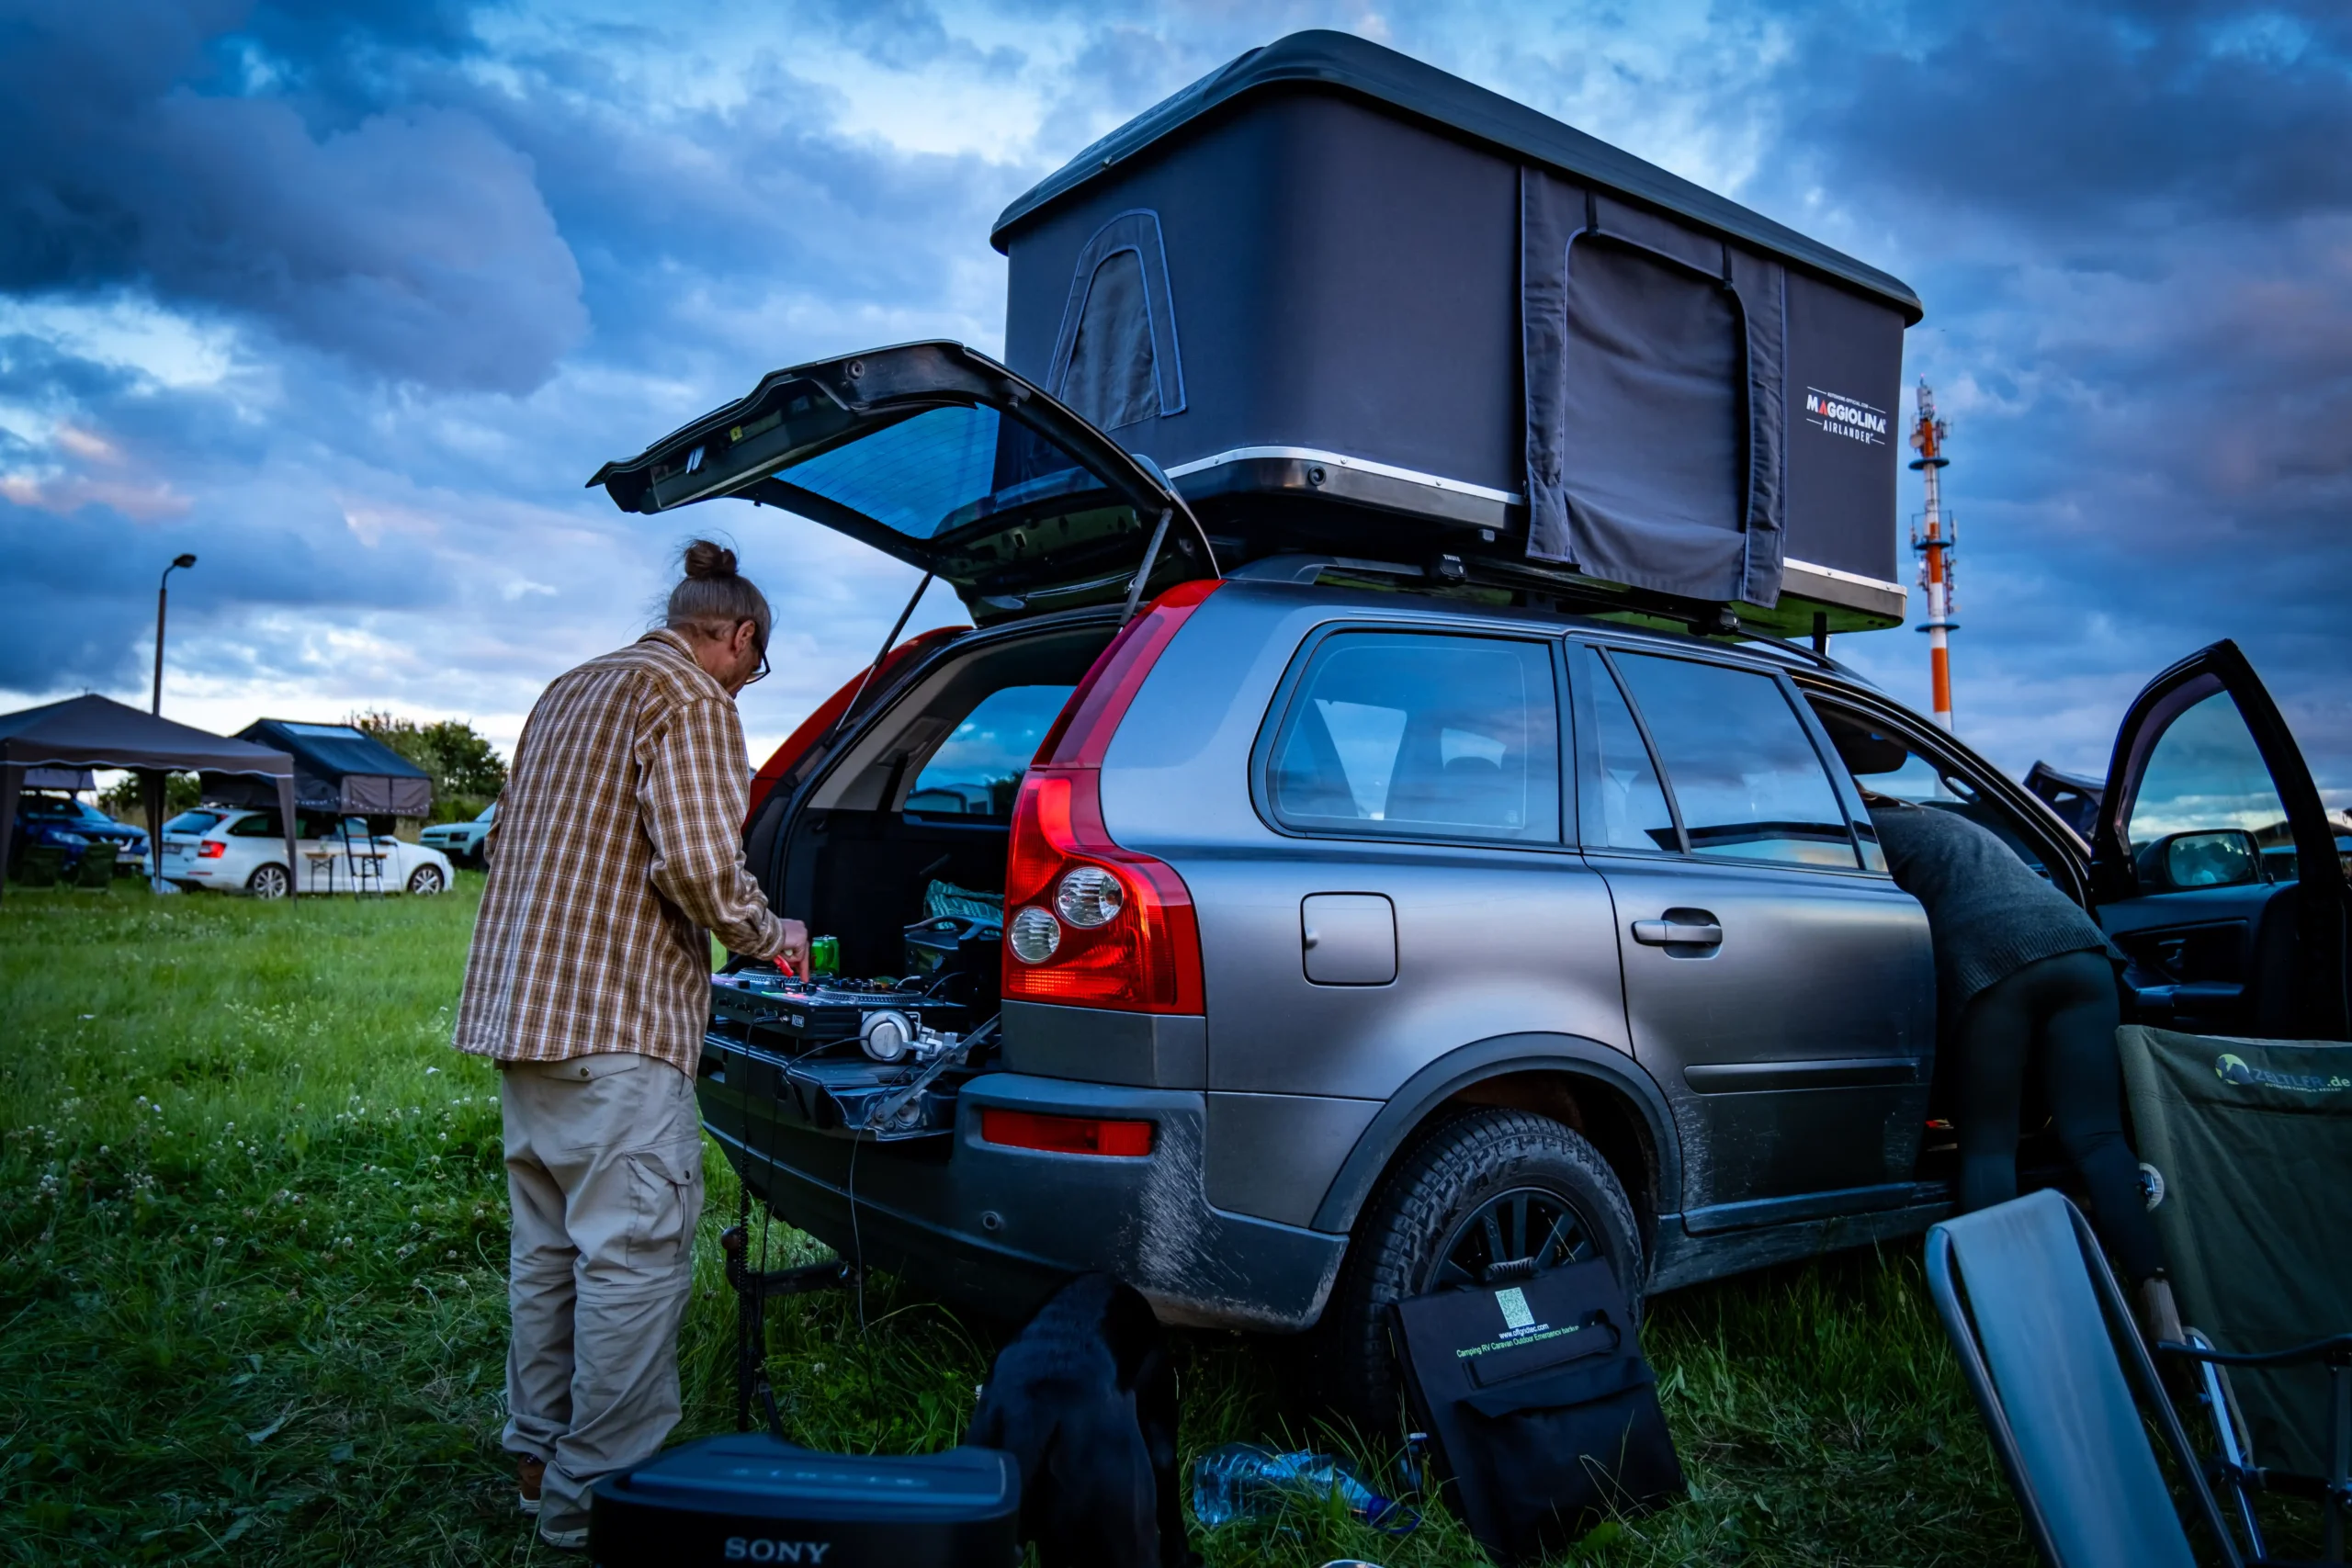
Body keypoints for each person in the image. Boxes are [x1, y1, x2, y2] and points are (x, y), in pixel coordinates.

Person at [453, 539, 810, 1550]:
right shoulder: (693, 699)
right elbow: (699, 863)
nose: (746, 679)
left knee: (552, 1251)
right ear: (736, 636)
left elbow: (504, 836)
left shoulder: (570, 690)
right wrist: (762, 930)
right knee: (633, 1259)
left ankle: (537, 1459)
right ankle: (595, 1505)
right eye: (755, 662)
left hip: (527, 1019)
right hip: (618, 1021)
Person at [1866, 794, 2179, 1341]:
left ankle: (2013, 1324)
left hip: (1994, 962)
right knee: (2101, 1139)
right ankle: (2169, 1319)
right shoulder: (1935, 817)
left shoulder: (1857, 831)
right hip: (2080, 947)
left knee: (1989, 1146)